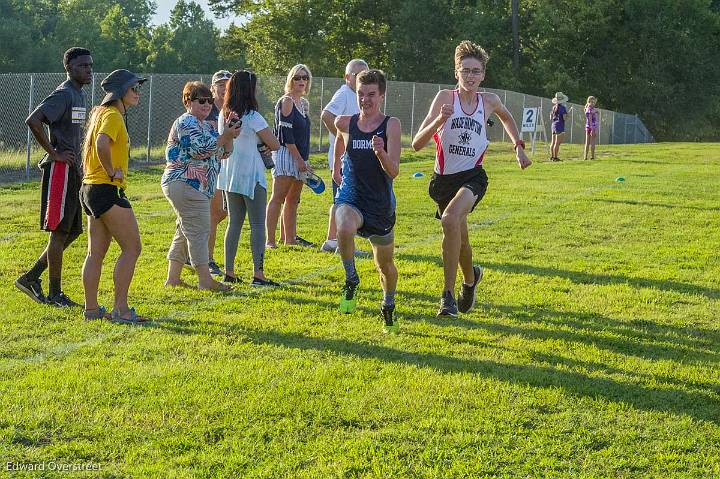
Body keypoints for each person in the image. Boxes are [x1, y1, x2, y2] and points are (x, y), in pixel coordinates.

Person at [412, 40, 532, 317]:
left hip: (473, 176)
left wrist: (518, 147)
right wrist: (439, 122)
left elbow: (507, 118)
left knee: (450, 220)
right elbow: (417, 143)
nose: (470, 76)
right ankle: (471, 278)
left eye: (475, 71)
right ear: (456, 72)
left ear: (483, 75)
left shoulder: (488, 101)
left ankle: (447, 297)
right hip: (443, 180)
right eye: (465, 70)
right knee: (461, 240)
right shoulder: (444, 98)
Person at [15, 47, 92, 307]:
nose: (88, 70)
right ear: (69, 68)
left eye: (90, 65)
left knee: (73, 231)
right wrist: (55, 153)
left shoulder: (79, 95)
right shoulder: (64, 93)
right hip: (60, 170)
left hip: (73, 172)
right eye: (82, 66)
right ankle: (55, 294)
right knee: (59, 232)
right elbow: (34, 120)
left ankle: (31, 277)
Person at [333, 69, 401, 333]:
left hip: (380, 205)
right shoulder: (346, 122)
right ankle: (351, 278)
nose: (365, 100)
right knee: (344, 225)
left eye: (371, 94)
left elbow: (393, 171)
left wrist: (381, 152)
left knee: (385, 265)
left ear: (381, 95)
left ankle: (388, 305)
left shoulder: (390, 125)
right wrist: (336, 166)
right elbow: (340, 134)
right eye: (361, 94)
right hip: (352, 196)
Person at [80, 69, 148, 323]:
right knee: (132, 248)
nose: (137, 93)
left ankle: (92, 310)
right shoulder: (113, 116)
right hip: (106, 189)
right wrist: (111, 171)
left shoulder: (101, 113)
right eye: (133, 88)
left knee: (95, 253)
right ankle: (121, 310)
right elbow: (100, 143)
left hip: (90, 189)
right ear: (121, 91)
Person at [162, 81, 240, 291]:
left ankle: (173, 278)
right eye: (201, 101)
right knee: (199, 231)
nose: (207, 105)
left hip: (196, 186)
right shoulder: (186, 123)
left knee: (184, 230)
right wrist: (224, 136)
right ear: (188, 102)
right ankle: (205, 280)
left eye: (208, 101)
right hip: (186, 183)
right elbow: (201, 150)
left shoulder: (205, 125)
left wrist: (230, 135)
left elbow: (224, 153)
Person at [217, 70, 281, 286]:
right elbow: (275, 144)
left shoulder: (223, 115)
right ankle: (258, 274)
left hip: (229, 175)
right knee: (256, 224)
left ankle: (229, 271)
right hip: (251, 176)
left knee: (234, 223)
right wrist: (261, 144)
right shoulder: (253, 116)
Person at [320, 58, 368, 253]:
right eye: (358, 75)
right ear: (347, 77)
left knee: (339, 200)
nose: (362, 78)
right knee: (346, 203)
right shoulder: (345, 93)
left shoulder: (358, 95)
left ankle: (331, 241)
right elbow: (326, 115)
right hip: (343, 160)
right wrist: (345, 141)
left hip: (349, 160)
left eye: (365, 74)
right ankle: (344, 244)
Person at [265, 64, 313, 249]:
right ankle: (270, 241)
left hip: (301, 156)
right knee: (278, 197)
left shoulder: (303, 104)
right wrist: (299, 160)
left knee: (293, 199)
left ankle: (289, 239)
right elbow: (286, 136)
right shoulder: (286, 101)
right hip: (286, 154)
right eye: (297, 78)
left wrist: (304, 160)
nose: (301, 81)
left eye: (305, 78)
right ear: (290, 80)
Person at [205, 70, 232, 275]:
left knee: (221, 212)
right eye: (220, 84)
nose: (224, 87)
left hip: (225, 168)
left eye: (228, 83)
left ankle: (194, 251)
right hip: (207, 168)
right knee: (214, 214)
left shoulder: (230, 110)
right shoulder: (207, 109)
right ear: (213, 88)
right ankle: (207, 259)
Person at [549, 92, 568, 162]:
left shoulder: (553, 107)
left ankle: (552, 156)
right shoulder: (563, 108)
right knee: (557, 143)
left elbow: (550, 117)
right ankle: (555, 157)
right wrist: (567, 115)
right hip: (559, 125)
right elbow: (564, 118)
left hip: (553, 125)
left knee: (553, 142)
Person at [584, 96, 598, 160]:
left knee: (587, 143)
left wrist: (595, 112)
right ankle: (592, 157)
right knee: (592, 143)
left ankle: (586, 157)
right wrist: (592, 129)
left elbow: (592, 113)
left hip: (588, 127)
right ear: (588, 102)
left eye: (594, 102)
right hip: (591, 127)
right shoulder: (590, 109)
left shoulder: (588, 108)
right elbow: (590, 119)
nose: (592, 103)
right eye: (591, 102)